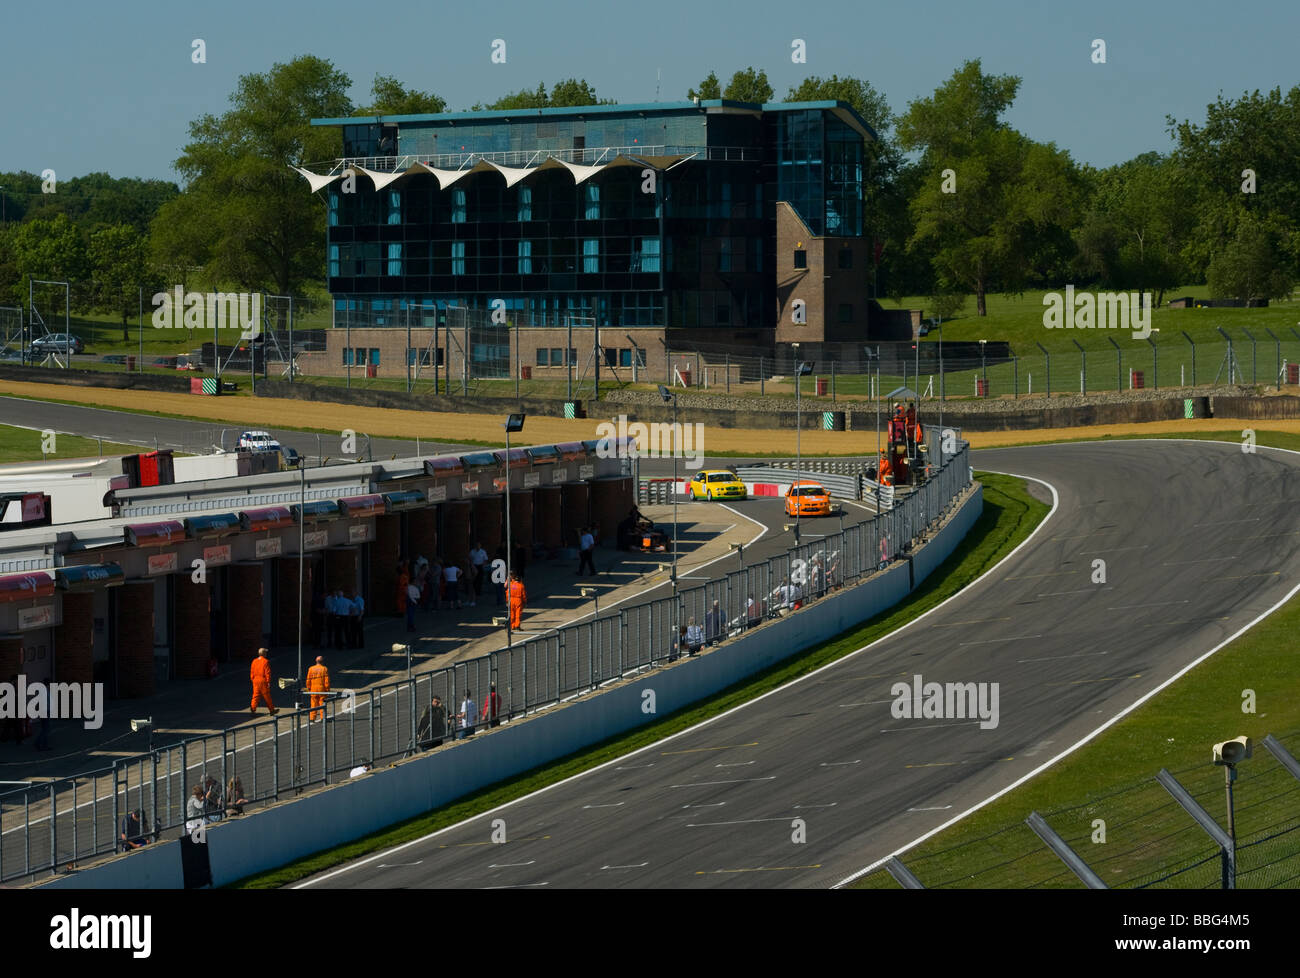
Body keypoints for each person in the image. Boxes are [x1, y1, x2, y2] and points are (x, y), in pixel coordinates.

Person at [249, 648, 277, 715]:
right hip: (262, 680)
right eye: (265, 653)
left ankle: (253, 709)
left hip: (255, 680)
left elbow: (252, 672)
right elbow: (267, 672)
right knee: (267, 696)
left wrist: (253, 679)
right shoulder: (265, 661)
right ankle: (272, 710)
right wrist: (268, 682)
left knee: (255, 696)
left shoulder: (254, 661)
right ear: (264, 653)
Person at [306, 655, 330, 722]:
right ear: (322, 661)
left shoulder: (311, 669)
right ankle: (323, 718)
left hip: (313, 689)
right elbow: (326, 681)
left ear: (316, 661)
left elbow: (308, 679)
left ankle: (312, 718)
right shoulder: (324, 669)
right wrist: (327, 690)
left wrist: (308, 688)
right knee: (322, 704)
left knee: (313, 704)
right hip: (321, 689)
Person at [469, 541, 488, 605]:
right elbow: (471, 560)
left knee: (480, 580)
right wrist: (472, 567)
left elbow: (485, 559)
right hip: (474, 566)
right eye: (476, 545)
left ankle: (478, 593)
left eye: (479, 545)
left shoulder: (483, 552)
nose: (477, 546)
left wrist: (483, 566)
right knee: (474, 580)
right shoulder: (472, 551)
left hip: (480, 566)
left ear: (480, 546)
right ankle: (474, 594)